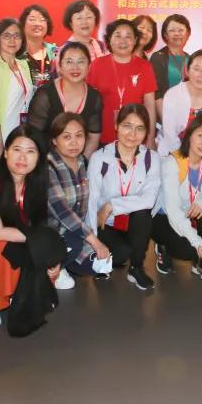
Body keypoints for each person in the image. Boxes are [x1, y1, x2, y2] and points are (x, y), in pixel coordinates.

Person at [0, 125, 67, 335]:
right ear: (5, 152)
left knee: (41, 247)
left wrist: (48, 253)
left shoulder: (36, 182)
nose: (22, 157)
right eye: (16, 149)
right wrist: (41, 243)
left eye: (30, 151)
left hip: (18, 243)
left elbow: (39, 225)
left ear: (39, 157)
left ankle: (17, 291)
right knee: (7, 247)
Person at [87, 105, 160, 290]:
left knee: (143, 213)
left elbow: (149, 200)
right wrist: (94, 244)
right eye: (127, 126)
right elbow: (91, 202)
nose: (132, 134)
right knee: (119, 255)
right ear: (116, 126)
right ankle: (115, 254)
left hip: (135, 225)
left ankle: (136, 268)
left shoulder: (151, 158)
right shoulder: (99, 158)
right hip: (106, 223)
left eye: (140, 128)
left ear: (146, 132)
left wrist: (112, 205)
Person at [153, 115, 202, 279]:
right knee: (186, 251)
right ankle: (163, 246)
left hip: (189, 212)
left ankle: (201, 260)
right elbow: (173, 211)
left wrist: (201, 204)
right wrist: (197, 242)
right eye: (200, 136)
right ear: (189, 136)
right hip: (165, 216)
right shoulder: (171, 163)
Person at [46, 112, 112, 280]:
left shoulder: (83, 162)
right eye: (66, 137)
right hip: (53, 231)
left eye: (79, 136)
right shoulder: (47, 166)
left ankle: (66, 262)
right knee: (76, 245)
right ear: (54, 140)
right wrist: (95, 242)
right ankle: (54, 267)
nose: (74, 142)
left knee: (111, 257)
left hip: (78, 231)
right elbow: (63, 211)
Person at [87, 18, 157, 149]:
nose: (123, 41)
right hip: (103, 137)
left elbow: (150, 106)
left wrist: (150, 137)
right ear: (109, 39)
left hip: (135, 138)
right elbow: (89, 104)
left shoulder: (145, 67)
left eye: (128, 36)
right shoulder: (97, 65)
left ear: (135, 40)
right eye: (118, 36)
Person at [27, 42, 102, 157]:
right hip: (46, 159)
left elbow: (93, 138)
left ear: (88, 66)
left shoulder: (94, 97)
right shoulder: (45, 94)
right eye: (69, 62)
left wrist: (81, 164)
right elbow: (33, 136)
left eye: (81, 62)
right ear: (60, 66)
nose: (75, 67)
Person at [0, 19, 34, 173]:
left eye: (17, 36)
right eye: (6, 36)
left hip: (15, 139)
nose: (12, 40)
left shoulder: (23, 65)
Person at [158, 50, 202, 156]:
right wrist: (183, 159)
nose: (201, 75)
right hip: (173, 152)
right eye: (196, 69)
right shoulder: (172, 95)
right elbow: (170, 135)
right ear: (187, 71)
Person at [150, 14, 191, 104]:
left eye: (181, 30)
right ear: (165, 34)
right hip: (166, 109)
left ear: (188, 34)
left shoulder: (191, 59)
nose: (177, 33)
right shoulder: (158, 57)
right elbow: (157, 94)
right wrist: (165, 113)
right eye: (172, 30)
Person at [19, 4, 56, 91]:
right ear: (23, 24)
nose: (37, 24)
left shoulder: (55, 52)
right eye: (32, 19)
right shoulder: (16, 51)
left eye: (42, 20)